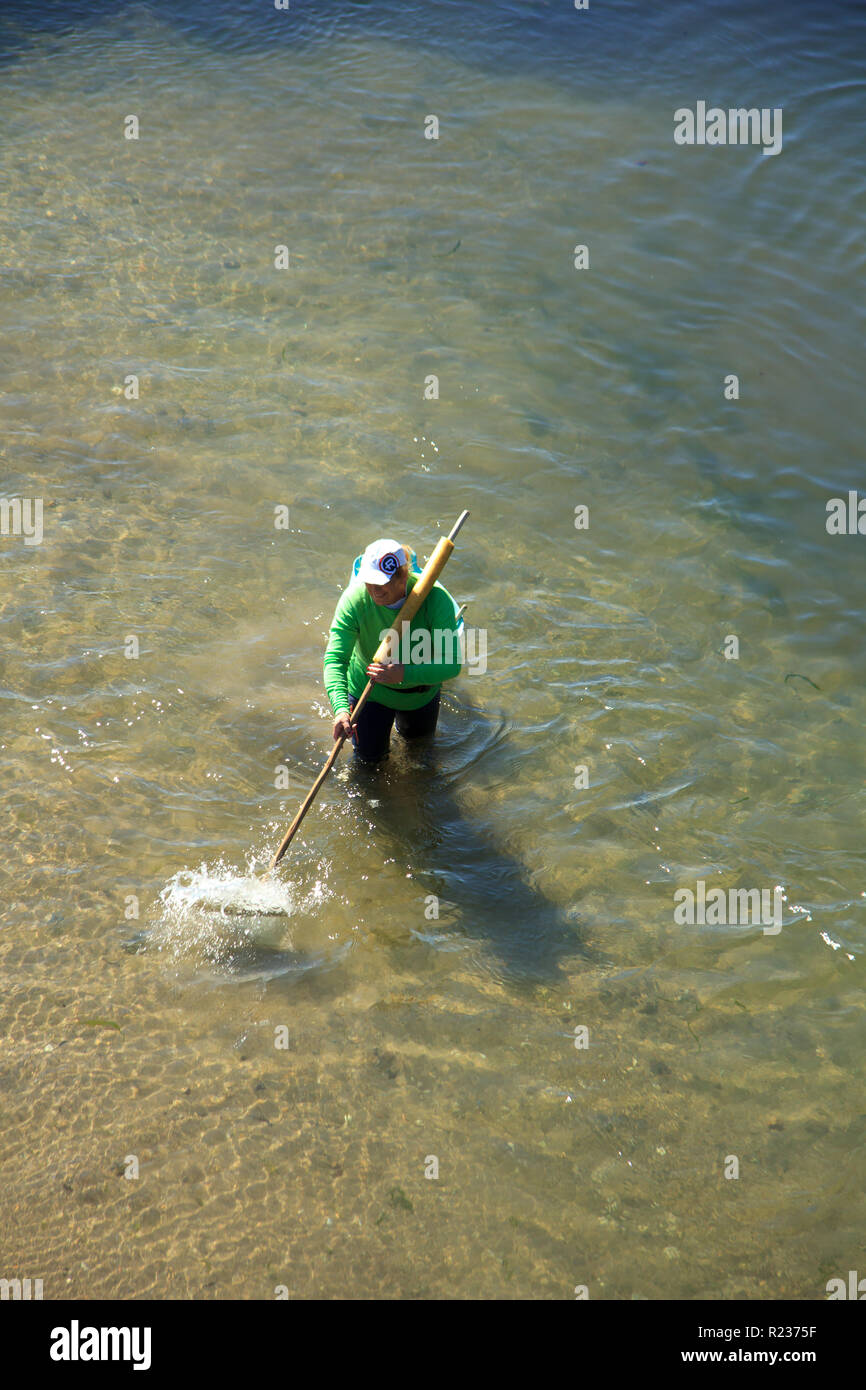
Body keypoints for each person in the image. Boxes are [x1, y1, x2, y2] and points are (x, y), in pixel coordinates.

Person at [323, 537, 462, 763]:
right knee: (369, 761)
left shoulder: (436, 599)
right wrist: (341, 709)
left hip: (419, 695)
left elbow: (452, 664)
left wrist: (405, 674)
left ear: (403, 577)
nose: (374, 589)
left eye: (381, 583)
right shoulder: (354, 600)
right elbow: (336, 660)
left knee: (419, 754)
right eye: (369, 581)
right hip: (369, 692)